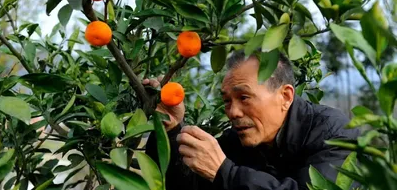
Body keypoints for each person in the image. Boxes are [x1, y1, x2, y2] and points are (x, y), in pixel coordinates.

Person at [143, 50, 360, 190]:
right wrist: (170, 128)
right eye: (227, 101)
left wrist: (225, 173)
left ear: (285, 96)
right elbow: (186, 187)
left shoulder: (332, 132)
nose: (233, 112)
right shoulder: (235, 142)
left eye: (244, 97)